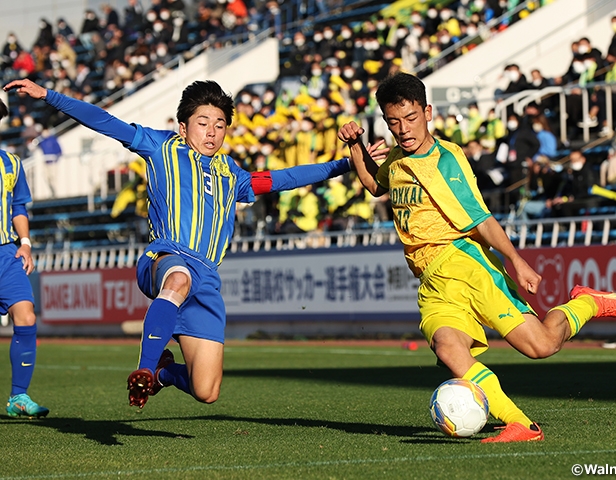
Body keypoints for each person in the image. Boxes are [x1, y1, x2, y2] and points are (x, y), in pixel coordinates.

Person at [4, 78, 370, 409]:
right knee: (178, 279)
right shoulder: (160, 147)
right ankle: (145, 372)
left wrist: (346, 164)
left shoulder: (234, 175)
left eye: (220, 124)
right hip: (165, 256)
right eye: (203, 122)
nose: (212, 132)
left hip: (207, 277)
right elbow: (103, 120)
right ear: (183, 126)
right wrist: (49, 96)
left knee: (206, 390)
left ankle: (163, 373)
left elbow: (286, 177)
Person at [337, 72, 616, 443]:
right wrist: (355, 147)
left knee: (541, 346)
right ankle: (520, 424)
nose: (403, 129)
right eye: (394, 122)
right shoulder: (397, 157)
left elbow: (481, 219)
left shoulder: (445, 161)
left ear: (428, 112)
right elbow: (374, 185)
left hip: (466, 265)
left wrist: (516, 259)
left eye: (411, 118)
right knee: (448, 347)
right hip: (431, 280)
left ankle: (587, 304)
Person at [0, 99, 49, 418]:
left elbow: (19, 207)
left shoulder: (11, 163)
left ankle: (19, 396)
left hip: (7, 251)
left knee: (27, 316)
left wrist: (26, 243)